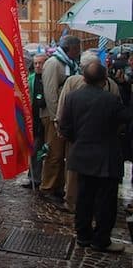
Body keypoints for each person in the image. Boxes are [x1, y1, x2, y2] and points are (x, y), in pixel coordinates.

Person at [59, 61, 130, 253]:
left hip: (82, 155)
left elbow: (65, 127)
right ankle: (101, 240)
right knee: (106, 201)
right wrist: (124, 88)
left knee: (84, 197)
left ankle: (83, 235)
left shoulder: (72, 98)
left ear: (83, 78)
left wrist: (79, 140)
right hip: (106, 157)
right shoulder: (111, 100)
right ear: (105, 80)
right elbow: (126, 117)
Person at [56, 52, 119, 213]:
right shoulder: (112, 86)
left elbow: (63, 109)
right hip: (104, 143)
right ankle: (94, 206)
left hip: (77, 140)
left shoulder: (72, 83)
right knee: (98, 179)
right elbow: (119, 117)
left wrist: (63, 130)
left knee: (74, 174)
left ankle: (72, 201)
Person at [39, 35, 81, 204]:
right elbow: (50, 93)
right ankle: (47, 187)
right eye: (77, 48)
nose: (79, 52)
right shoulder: (54, 64)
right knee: (54, 154)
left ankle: (57, 185)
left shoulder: (69, 64)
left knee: (62, 154)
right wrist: (57, 118)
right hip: (54, 116)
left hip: (63, 116)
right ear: (70, 48)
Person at [23, 54, 47, 189]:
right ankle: (34, 177)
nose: (38, 66)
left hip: (47, 119)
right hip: (34, 120)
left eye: (40, 63)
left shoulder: (48, 78)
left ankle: (43, 177)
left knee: (45, 151)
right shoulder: (31, 79)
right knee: (35, 149)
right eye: (36, 63)